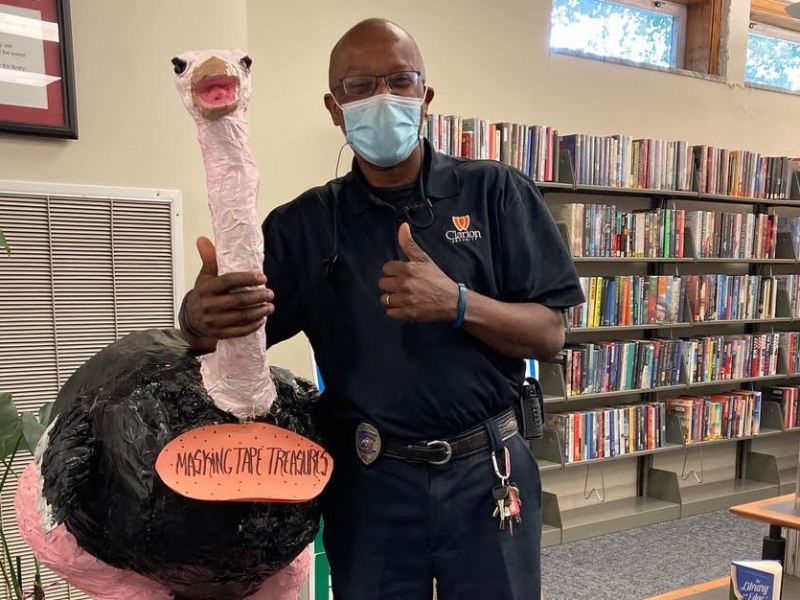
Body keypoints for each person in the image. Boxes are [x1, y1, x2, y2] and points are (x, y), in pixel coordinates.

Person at [180, 17, 584, 600]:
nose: (381, 98)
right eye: (358, 87)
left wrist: (458, 303)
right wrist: (199, 319)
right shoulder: (304, 225)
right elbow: (233, 348)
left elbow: (550, 334)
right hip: (370, 480)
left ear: (425, 96)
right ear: (333, 107)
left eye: (399, 80)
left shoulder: (497, 192)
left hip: (490, 473)